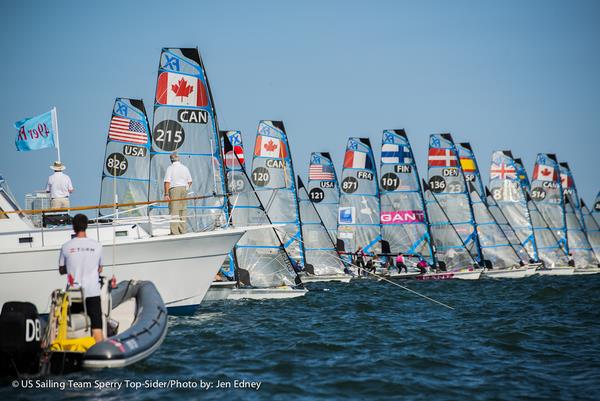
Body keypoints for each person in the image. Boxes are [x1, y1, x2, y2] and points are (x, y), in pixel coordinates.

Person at [58, 214, 104, 343]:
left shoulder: (66, 246)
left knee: (73, 330)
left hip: (74, 294)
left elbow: (61, 270)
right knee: (97, 331)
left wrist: (72, 266)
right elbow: (100, 268)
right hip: (93, 293)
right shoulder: (97, 245)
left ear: (73, 227)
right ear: (87, 226)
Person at [164, 153, 193, 235]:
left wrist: (166, 194)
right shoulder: (185, 168)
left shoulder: (170, 168)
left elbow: (167, 182)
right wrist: (186, 188)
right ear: (179, 159)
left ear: (171, 160)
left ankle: (174, 232)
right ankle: (182, 231)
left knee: (174, 210)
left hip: (174, 189)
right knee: (182, 210)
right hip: (184, 188)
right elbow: (190, 181)